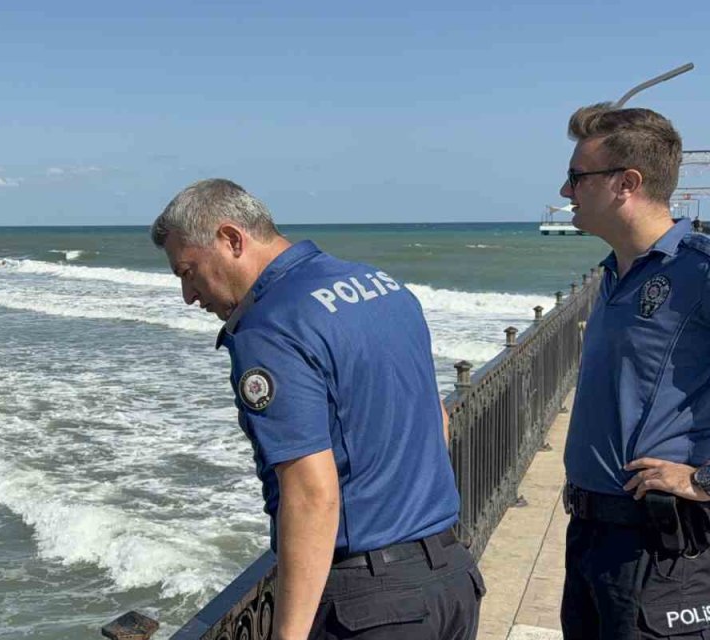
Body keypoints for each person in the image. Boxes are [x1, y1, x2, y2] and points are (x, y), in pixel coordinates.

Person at [151, 178, 483, 640]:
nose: (188, 295)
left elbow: (311, 492)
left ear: (231, 239)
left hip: (370, 607)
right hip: (451, 579)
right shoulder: (381, 285)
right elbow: (436, 420)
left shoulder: (269, 328)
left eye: (188, 271)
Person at [558, 104, 710, 639]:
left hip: (662, 551)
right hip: (591, 539)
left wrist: (703, 478)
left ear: (627, 183)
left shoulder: (699, 271)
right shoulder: (614, 273)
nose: (564, 192)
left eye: (577, 177)